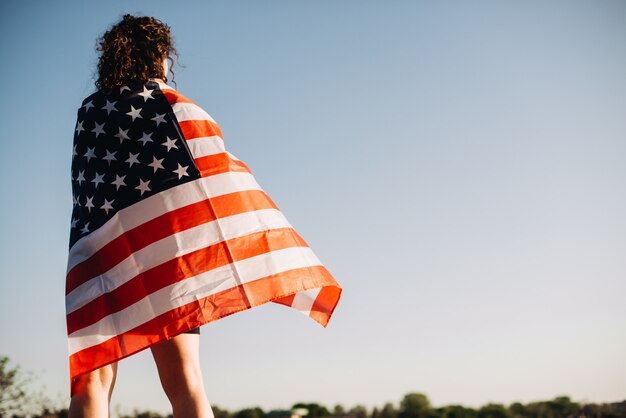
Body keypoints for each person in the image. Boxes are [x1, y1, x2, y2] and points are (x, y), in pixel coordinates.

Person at [68, 14, 214, 418]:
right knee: (186, 382)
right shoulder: (172, 105)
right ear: (158, 55)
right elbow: (210, 177)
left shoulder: (89, 111)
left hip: (94, 254)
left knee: (91, 383)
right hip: (164, 257)